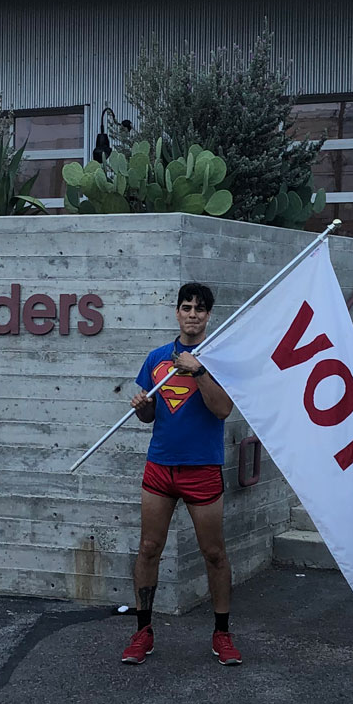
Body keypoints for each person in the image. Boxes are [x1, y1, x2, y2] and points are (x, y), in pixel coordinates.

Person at [121, 280, 242, 666]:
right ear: (177, 312)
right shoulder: (157, 357)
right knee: (148, 549)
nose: (192, 315)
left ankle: (222, 634)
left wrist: (199, 371)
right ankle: (143, 631)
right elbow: (149, 415)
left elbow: (223, 410)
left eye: (200, 309)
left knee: (214, 553)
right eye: (186, 308)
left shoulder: (219, 358)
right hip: (160, 466)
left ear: (209, 315)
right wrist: (141, 405)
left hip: (202, 468)